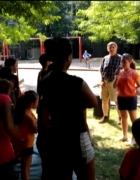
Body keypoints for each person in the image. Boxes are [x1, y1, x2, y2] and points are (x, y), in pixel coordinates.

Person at [38, 38, 97, 180]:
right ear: (69, 57)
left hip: (57, 137)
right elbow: (93, 102)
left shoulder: (44, 81)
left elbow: (45, 109)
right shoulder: (77, 82)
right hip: (77, 136)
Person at [113, 54, 140, 145]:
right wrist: (116, 77)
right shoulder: (119, 72)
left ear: (130, 62)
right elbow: (114, 86)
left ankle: (134, 138)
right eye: (121, 61)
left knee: (133, 119)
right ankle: (124, 136)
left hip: (131, 98)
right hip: (121, 97)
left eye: (124, 62)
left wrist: (138, 89)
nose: (122, 63)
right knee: (123, 118)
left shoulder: (134, 73)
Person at [15, 90, 38, 180]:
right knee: (25, 168)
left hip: (26, 142)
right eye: (37, 102)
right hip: (26, 143)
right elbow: (35, 130)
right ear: (31, 103)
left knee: (26, 167)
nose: (38, 104)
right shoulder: (27, 116)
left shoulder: (26, 111)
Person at [99, 42, 122, 124]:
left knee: (117, 101)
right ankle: (105, 116)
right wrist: (101, 81)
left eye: (113, 47)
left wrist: (117, 81)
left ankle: (120, 118)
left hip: (114, 82)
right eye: (109, 47)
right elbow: (101, 70)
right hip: (105, 82)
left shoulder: (120, 58)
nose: (111, 49)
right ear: (107, 49)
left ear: (116, 48)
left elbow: (121, 71)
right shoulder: (105, 58)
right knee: (104, 100)